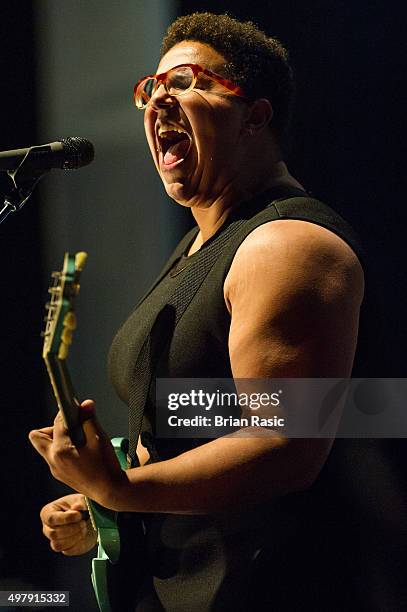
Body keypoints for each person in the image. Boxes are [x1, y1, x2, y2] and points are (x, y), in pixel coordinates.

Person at [29, 12, 364, 611]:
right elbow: (198, 423)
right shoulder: (199, 248)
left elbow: (286, 441)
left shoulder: (286, 244)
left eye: (185, 82)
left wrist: (122, 489)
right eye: (149, 90)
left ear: (255, 118)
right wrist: (103, 504)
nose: (159, 100)